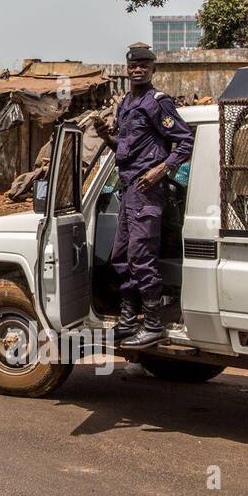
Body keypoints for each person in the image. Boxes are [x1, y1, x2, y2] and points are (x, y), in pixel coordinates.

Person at [92, 44, 194, 348]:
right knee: (120, 256)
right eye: (133, 66)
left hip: (147, 191)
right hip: (128, 190)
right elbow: (125, 152)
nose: (138, 70)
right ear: (127, 69)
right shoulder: (125, 104)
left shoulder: (157, 103)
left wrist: (162, 170)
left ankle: (152, 323)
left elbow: (185, 141)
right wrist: (105, 136)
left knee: (141, 257)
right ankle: (127, 319)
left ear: (153, 69)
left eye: (144, 66)